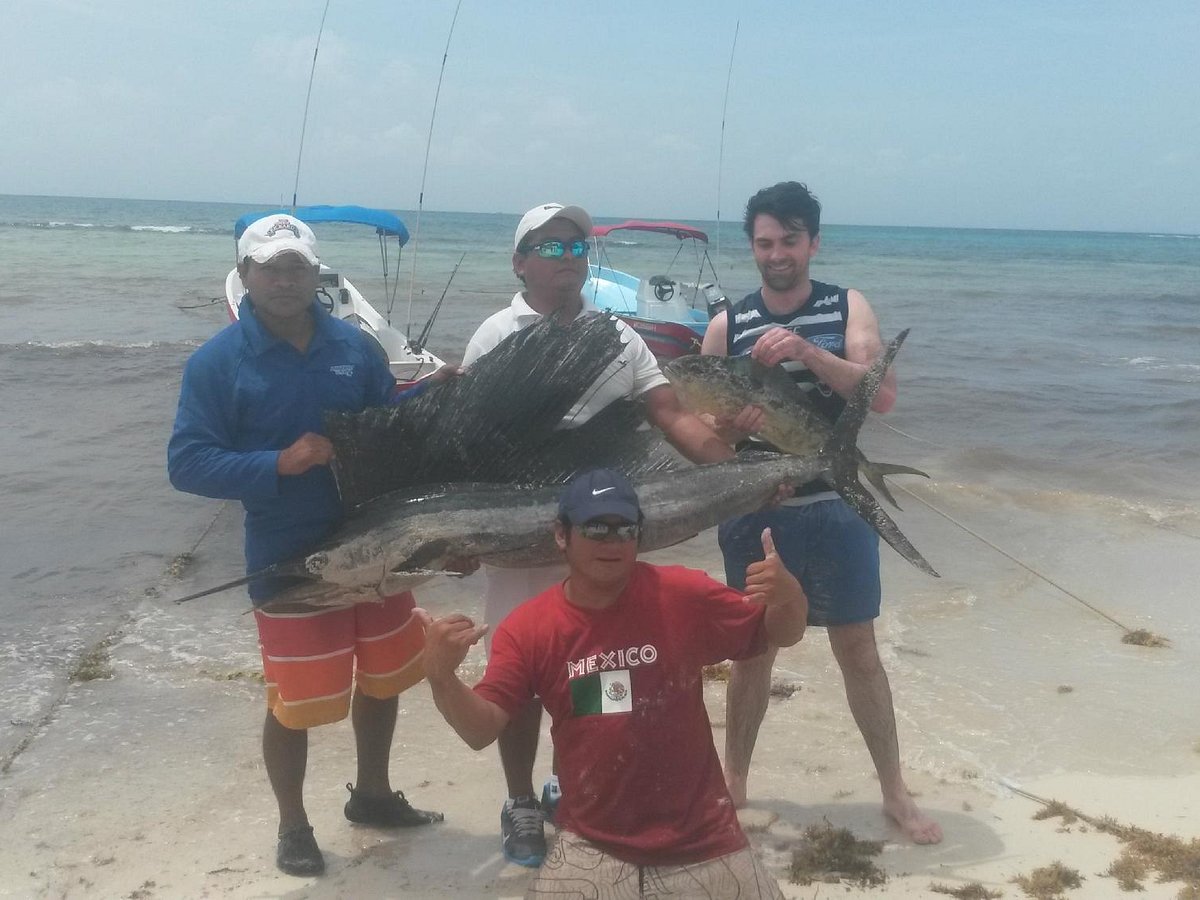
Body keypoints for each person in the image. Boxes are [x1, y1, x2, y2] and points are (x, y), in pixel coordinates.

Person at [168, 214, 454, 877]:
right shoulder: (216, 363)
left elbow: (388, 432)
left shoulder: (354, 348)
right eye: (269, 266)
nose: (284, 278)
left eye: (296, 266)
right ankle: (293, 825)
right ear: (245, 276)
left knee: (384, 680)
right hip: (291, 558)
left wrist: (429, 401)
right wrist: (277, 464)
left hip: (379, 544)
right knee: (293, 703)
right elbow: (186, 463)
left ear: (316, 274)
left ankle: (374, 795)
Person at [462, 202, 740, 867]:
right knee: (519, 678)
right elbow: (465, 448)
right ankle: (521, 798)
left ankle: (576, 786)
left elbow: (672, 415)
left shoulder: (618, 335)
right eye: (550, 249)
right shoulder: (495, 335)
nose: (568, 259)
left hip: (605, 537)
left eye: (577, 247)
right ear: (520, 261)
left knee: (598, 673)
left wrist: (739, 473)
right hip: (521, 534)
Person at [418, 468, 806, 898]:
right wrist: (440, 675)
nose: (613, 541)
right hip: (592, 844)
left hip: (704, 839)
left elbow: (779, 633)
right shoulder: (528, 629)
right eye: (596, 527)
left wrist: (789, 595)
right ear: (561, 535)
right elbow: (480, 729)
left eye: (626, 529)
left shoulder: (682, 594)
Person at [700, 181, 943, 844]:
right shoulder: (727, 325)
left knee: (857, 649)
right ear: (752, 247)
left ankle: (894, 792)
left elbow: (881, 395)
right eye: (764, 242)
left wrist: (807, 352)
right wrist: (729, 424)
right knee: (752, 653)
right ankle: (734, 787)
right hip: (757, 511)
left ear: (812, 241)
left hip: (836, 506)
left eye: (788, 241)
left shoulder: (845, 305)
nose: (776, 254)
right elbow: (706, 435)